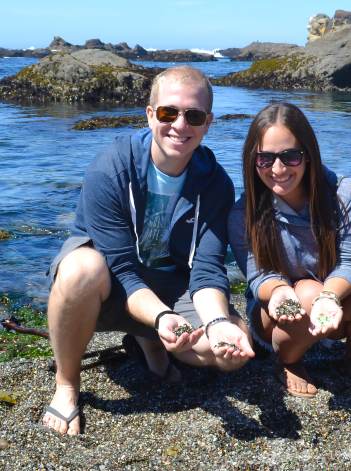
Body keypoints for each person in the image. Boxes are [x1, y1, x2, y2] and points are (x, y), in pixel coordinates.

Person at [42, 65, 255, 435]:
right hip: (107, 288)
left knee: (230, 348)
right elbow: (121, 268)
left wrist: (220, 325)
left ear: (208, 123)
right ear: (150, 114)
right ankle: (66, 384)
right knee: (81, 269)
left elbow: (206, 270)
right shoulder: (111, 168)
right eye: (169, 112)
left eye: (194, 116)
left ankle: (149, 344)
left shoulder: (217, 185)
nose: (180, 124)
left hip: (171, 290)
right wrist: (160, 318)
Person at [228, 102, 351, 399]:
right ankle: (287, 361)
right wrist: (279, 290)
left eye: (289, 156)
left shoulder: (345, 194)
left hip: (333, 306)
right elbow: (258, 275)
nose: (277, 169)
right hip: (274, 317)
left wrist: (329, 296)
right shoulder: (244, 212)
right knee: (305, 292)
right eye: (265, 158)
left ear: (308, 155)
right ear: (253, 160)